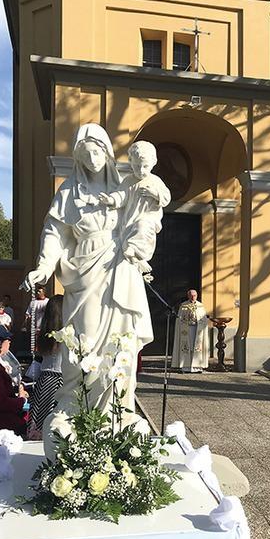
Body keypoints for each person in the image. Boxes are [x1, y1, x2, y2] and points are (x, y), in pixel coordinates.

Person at [20, 123, 163, 433]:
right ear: (78, 157)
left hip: (119, 267)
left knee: (121, 340)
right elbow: (54, 231)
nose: (92, 159)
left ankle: (121, 407)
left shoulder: (124, 186)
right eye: (84, 155)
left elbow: (148, 214)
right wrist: (44, 267)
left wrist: (142, 237)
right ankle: (75, 405)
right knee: (82, 341)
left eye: (96, 152)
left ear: (107, 152)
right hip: (83, 269)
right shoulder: (69, 190)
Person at [99, 140, 171, 276]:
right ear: (131, 162)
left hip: (149, 217)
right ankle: (136, 258)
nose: (141, 170)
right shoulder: (128, 180)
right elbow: (121, 195)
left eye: (145, 166)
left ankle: (137, 253)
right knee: (132, 232)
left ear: (153, 163)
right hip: (130, 218)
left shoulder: (155, 180)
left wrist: (154, 193)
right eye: (137, 166)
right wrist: (111, 199)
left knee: (142, 227)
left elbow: (166, 198)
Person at [28, 294, 64, 439]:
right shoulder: (64, 333)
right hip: (60, 378)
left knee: (42, 418)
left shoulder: (45, 331)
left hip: (45, 380)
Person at [172, 289, 210, 373]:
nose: (193, 297)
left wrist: (200, 321)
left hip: (197, 329)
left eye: (194, 295)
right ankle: (186, 367)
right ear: (188, 296)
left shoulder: (200, 306)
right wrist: (185, 320)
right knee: (187, 346)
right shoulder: (184, 306)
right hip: (187, 329)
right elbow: (179, 319)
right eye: (191, 295)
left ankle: (197, 367)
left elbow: (204, 318)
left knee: (196, 346)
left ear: (197, 296)